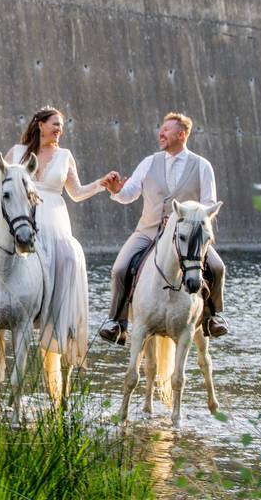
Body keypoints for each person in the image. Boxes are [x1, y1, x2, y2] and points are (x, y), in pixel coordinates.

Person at [0, 106, 108, 385]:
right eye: (55, 124)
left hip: (54, 218)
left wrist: (102, 184)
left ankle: (57, 324)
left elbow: (77, 193)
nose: (60, 128)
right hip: (19, 215)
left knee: (70, 258)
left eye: (62, 125)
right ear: (40, 125)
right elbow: (2, 188)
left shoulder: (65, 156)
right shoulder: (16, 151)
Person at [98, 111, 228, 345]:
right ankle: (117, 323)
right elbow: (131, 194)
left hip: (187, 238)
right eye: (161, 129)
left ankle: (212, 318)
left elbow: (209, 204)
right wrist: (117, 190)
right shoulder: (149, 162)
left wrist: (187, 217)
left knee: (218, 267)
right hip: (148, 231)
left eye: (166, 130)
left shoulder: (202, 166)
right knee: (119, 269)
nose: (161, 133)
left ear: (182, 134)